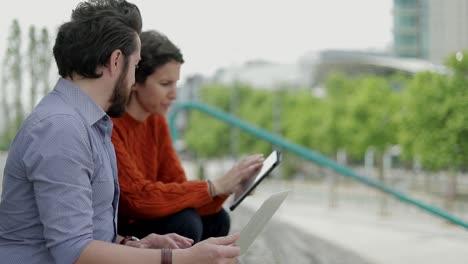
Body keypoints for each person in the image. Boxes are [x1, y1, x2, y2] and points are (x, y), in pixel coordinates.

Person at [0, 0, 241, 263]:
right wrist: (175, 258)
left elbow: (82, 231)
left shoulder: (91, 123)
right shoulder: (61, 128)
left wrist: (133, 244)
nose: (133, 78)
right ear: (116, 61)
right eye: (135, 66)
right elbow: (73, 250)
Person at [111, 30, 264, 243]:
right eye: (165, 84)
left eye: (176, 84)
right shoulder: (112, 124)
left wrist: (230, 187)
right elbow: (136, 198)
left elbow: (178, 189)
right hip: (123, 229)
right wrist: (213, 186)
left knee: (217, 219)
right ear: (134, 80)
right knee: (185, 222)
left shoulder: (156, 121)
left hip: (150, 216)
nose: (174, 94)